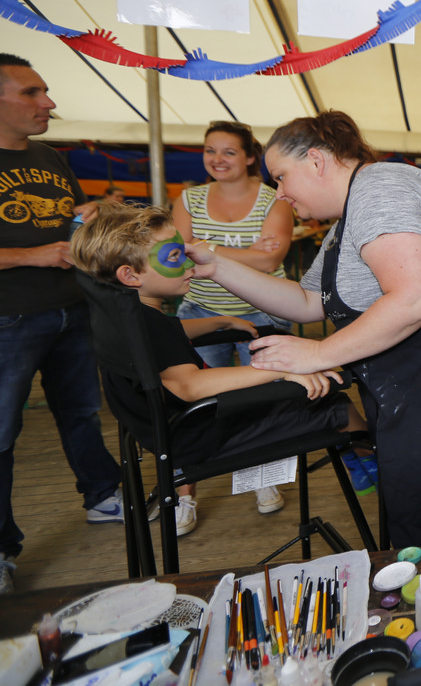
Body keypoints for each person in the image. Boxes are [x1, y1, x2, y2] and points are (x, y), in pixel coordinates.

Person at [188, 110, 421, 546]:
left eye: (282, 177)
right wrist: (217, 267)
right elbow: (307, 301)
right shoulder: (346, 220)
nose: (280, 193)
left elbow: (414, 300)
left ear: (316, 160)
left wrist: (317, 354)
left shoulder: (382, 190)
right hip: (417, 378)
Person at [71, 203, 373, 535]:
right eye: (174, 257)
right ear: (130, 275)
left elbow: (168, 337)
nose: (187, 263)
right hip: (204, 434)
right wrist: (281, 369)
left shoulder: (125, 314)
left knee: (303, 392)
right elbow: (189, 386)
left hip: (176, 432)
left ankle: (359, 462)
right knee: (335, 404)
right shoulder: (148, 323)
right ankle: (372, 468)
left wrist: (218, 322)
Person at [0, 54, 122, 595]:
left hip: (72, 309)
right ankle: (1, 548)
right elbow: (38, 245)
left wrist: (87, 217)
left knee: (81, 411)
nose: (47, 102)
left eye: (45, 91)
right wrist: (33, 256)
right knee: (1, 433)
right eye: (32, 92)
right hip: (8, 320)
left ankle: (102, 495)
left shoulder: (50, 157)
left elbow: (64, 223)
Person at [171, 121, 297, 515]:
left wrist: (203, 246)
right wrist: (244, 252)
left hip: (263, 312)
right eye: (210, 150)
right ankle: (183, 495)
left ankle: (261, 478)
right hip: (200, 310)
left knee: (261, 403)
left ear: (249, 157)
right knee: (190, 404)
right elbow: (176, 254)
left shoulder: (275, 199)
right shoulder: (189, 199)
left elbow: (270, 260)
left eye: (229, 151)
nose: (217, 159)